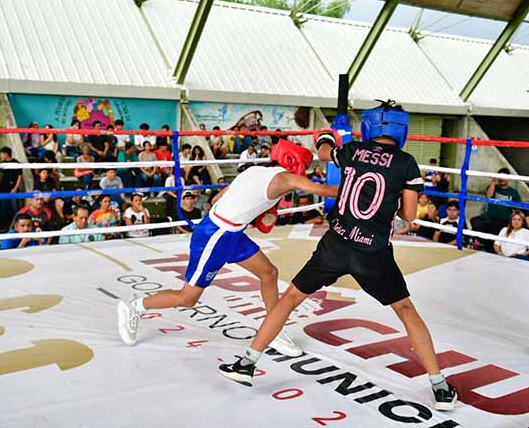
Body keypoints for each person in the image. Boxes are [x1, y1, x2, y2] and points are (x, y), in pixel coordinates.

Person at [218, 101, 458, 411]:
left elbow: (323, 152)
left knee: (290, 298)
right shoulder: (406, 162)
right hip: (373, 252)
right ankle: (440, 388)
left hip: (336, 243)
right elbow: (409, 216)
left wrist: (324, 137)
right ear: (402, 129)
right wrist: (389, 203)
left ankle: (247, 364)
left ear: (370, 126)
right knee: (405, 309)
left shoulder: (354, 150)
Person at [117, 139, 338, 358]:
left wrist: (249, 210)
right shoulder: (286, 178)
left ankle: (274, 331)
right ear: (295, 163)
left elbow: (216, 199)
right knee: (187, 298)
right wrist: (358, 182)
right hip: (215, 235)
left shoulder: (254, 171)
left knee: (269, 273)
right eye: (304, 166)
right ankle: (134, 307)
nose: (305, 172)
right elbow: (326, 190)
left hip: (230, 232)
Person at [471, 168, 521, 252]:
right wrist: (493, 181)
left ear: (508, 178)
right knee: (475, 221)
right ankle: (487, 246)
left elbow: (519, 210)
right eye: (500, 176)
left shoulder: (513, 192)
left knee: (497, 230)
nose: (502, 179)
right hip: (488, 217)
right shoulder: (493, 187)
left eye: (504, 177)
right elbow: (488, 197)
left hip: (504, 220)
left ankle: (489, 247)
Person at [0, 146, 22, 231]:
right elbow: (1, 176)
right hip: (3, 189)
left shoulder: (16, 163)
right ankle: (4, 227)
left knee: (15, 208)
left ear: (6, 154)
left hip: (12, 189)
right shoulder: (2, 163)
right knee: (3, 209)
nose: (0, 156)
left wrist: (15, 188)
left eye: (1, 154)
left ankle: (17, 226)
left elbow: (19, 177)